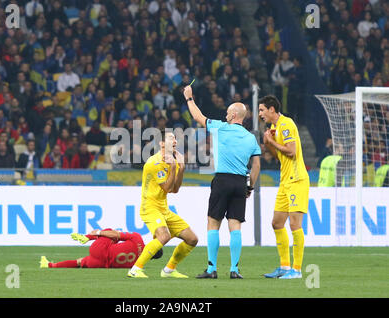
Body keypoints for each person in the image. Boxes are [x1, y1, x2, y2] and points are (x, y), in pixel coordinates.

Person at [182, 85, 261, 279]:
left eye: (227, 113)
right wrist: (250, 186)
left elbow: (198, 117)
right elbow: (257, 165)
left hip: (222, 180)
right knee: (235, 225)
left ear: (234, 115)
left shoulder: (221, 128)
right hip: (240, 182)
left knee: (213, 223)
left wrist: (189, 98)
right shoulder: (251, 138)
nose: (225, 115)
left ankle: (211, 269)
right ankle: (234, 270)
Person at [127, 130, 198, 279]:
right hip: (150, 207)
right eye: (170, 138)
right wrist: (173, 168)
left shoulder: (172, 161)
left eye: (175, 138)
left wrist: (181, 168)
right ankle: (135, 269)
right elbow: (166, 187)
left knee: (192, 239)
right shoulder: (154, 162)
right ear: (161, 143)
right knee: (163, 236)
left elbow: (175, 190)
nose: (175, 141)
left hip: (163, 209)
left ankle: (169, 270)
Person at [258, 95, 310, 279]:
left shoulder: (286, 124)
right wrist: (268, 143)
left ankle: (296, 270)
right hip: (285, 181)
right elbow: (278, 155)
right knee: (277, 223)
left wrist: (271, 142)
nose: (260, 114)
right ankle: (284, 266)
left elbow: (292, 151)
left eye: (262, 110)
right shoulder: (274, 127)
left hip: (297, 180)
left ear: (272, 109)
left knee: (295, 224)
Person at [40, 229, 163, 269]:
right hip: (102, 263)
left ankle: (87, 237)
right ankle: (49, 265)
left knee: (110, 231)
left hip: (99, 249)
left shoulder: (137, 238)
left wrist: (98, 233)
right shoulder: (138, 265)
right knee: (79, 262)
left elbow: (116, 235)